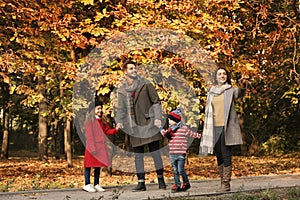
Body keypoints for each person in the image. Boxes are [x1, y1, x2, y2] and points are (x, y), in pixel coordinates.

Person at [116, 60, 166, 191]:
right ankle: (141, 183)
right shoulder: (122, 90)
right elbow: (121, 108)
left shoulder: (145, 84)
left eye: (135, 68)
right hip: (134, 126)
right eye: (131, 68)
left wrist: (158, 118)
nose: (134, 70)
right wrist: (119, 120)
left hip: (149, 123)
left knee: (155, 153)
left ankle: (161, 180)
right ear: (125, 71)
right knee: (138, 155)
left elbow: (156, 101)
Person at [199, 68, 247, 192]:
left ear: (227, 76)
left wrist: (242, 84)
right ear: (216, 77)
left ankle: (226, 184)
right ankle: (222, 182)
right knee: (219, 154)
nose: (222, 75)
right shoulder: (211, 92)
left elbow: (240, 94)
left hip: (226, 127)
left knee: (226, 154)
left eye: (224, 74)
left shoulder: (230, 90)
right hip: (213, 128)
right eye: (219, 74)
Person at [160, 108, 201, 193]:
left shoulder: (183, 129)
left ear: (176, 120)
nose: (169, 121)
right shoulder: (170, 130)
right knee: (175, 170)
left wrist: (198, 135)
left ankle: (186, 183)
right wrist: (160, 127)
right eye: (169, 119)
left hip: (180, 153)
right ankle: (177, 184)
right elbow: (164, 134)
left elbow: (191, 133)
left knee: (180, 170)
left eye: (171, 119)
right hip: (172, 154)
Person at [83, 100, 119, 192]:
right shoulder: (90, 121)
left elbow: (107, 131)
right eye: (98, 108)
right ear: (93, 110)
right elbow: (89, 136)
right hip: (92, 147)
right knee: (88, 165)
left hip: (100, 146)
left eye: (101, 108)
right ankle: (87, 184)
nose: (100, 110)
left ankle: (96, 183)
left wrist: (116, 129)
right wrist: (92, 148)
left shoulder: (101, 121)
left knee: (97, 166)